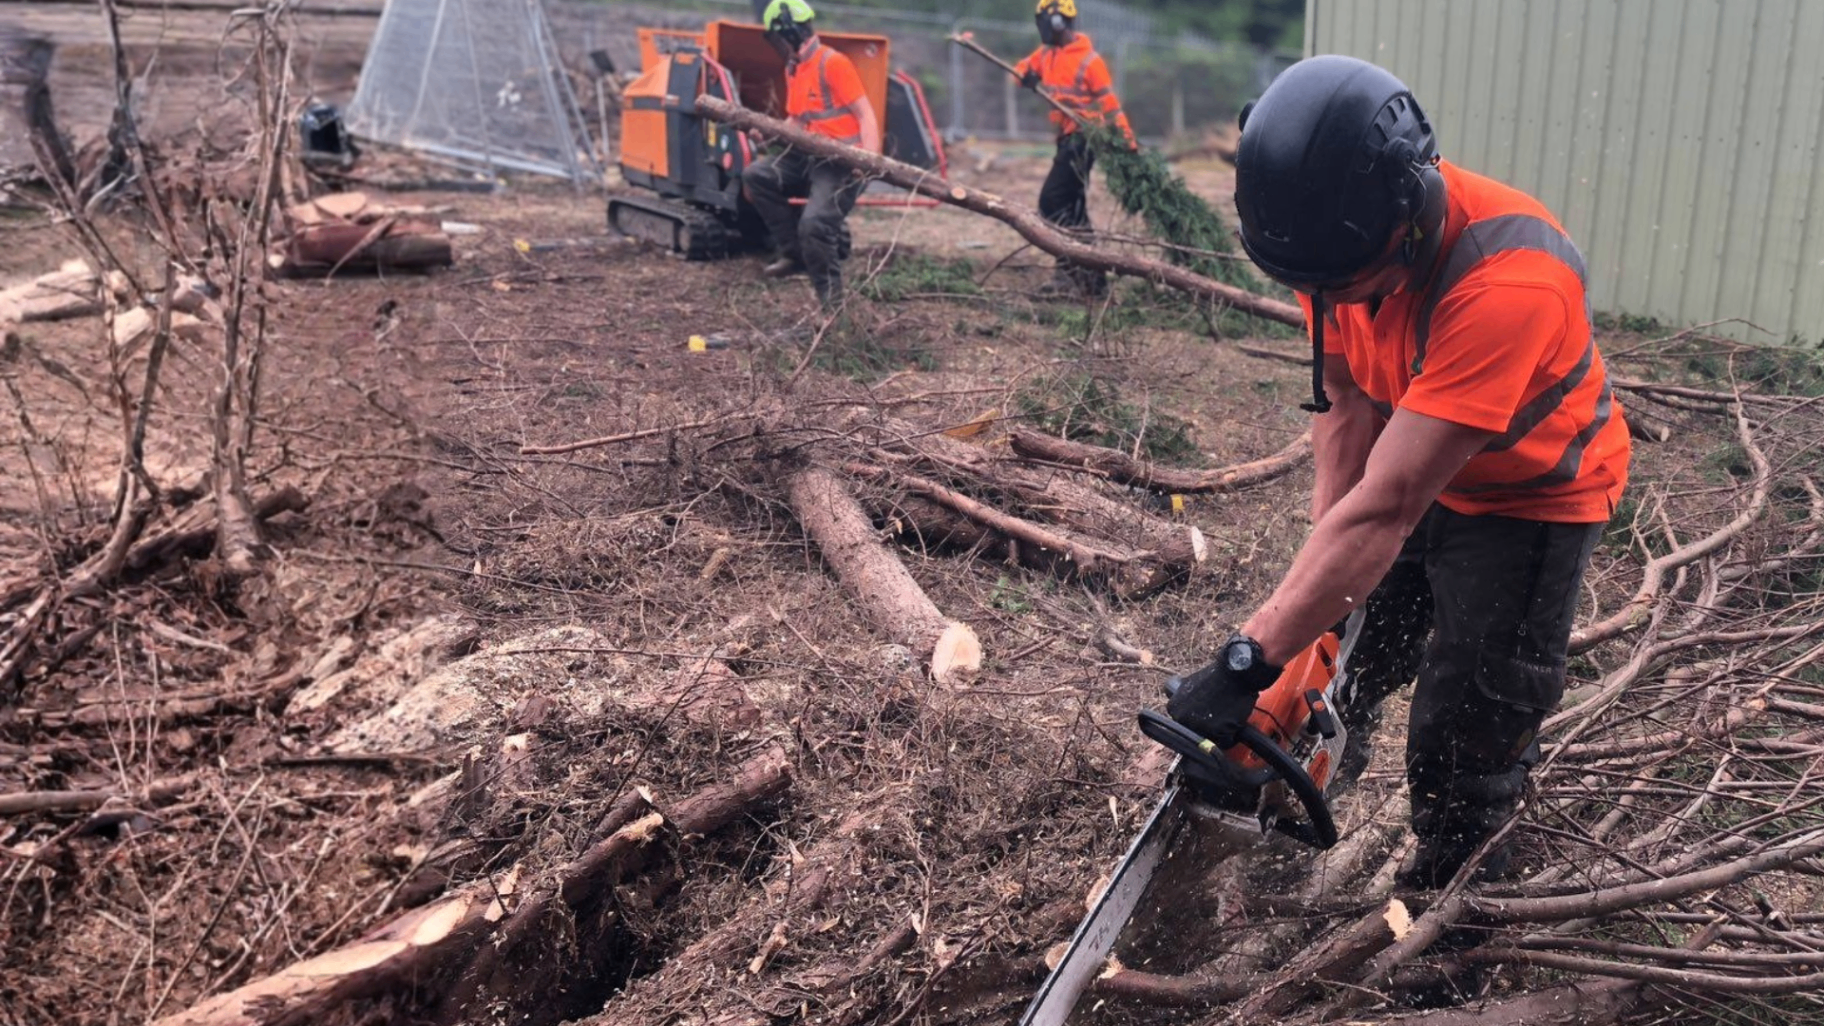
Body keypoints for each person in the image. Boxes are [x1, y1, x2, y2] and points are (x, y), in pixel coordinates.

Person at [1160, 55, 1631, 887]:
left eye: (1342, 285)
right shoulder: (1324, 237)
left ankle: (1457, 918)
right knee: (1345, 667)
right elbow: (1345, 404)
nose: (1328, 300)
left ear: (1407, 220)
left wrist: (1244, 658)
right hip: (1415, 463)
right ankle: (1283, 822)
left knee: (1465, 727)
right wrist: (1314, 592)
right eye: (1315, 288)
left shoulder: (1510, 280)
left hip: (1532, 499)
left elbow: (1387, 507)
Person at [742, 0, 882, 310]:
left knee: (815, 225)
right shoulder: (793, 68)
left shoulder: (833, 63)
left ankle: (833, 310)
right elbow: (797, 120)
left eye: (775, 37)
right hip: (807, 156)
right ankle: (794, 254)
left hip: (842, 164)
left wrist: (867, 161)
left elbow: (866, 115)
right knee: (757, 175)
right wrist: (768, 133)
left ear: (788, 32)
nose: (775, 45)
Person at [1013, 0, 1135, 298]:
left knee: (1052, 202)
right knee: (1073, 208)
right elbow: (1021, 69)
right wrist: (1025, 77)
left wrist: (1128, 142)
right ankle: (1086, 278)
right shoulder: (1047, 53)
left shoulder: (1089, 61)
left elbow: (1110, 105)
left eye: (1044, 22)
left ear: (1057, 22)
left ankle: (1078, 272)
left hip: (1084, 139)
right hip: (1066, 138)